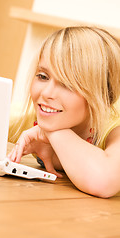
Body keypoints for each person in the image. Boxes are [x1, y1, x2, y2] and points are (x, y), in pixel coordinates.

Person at [8, 26, 120, 198]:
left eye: (68, 85)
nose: (46, 93)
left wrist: (52, 133)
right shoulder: (30, 119)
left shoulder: (114, 130)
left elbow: (103, 182)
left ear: (104, 96)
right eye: (43, 76)